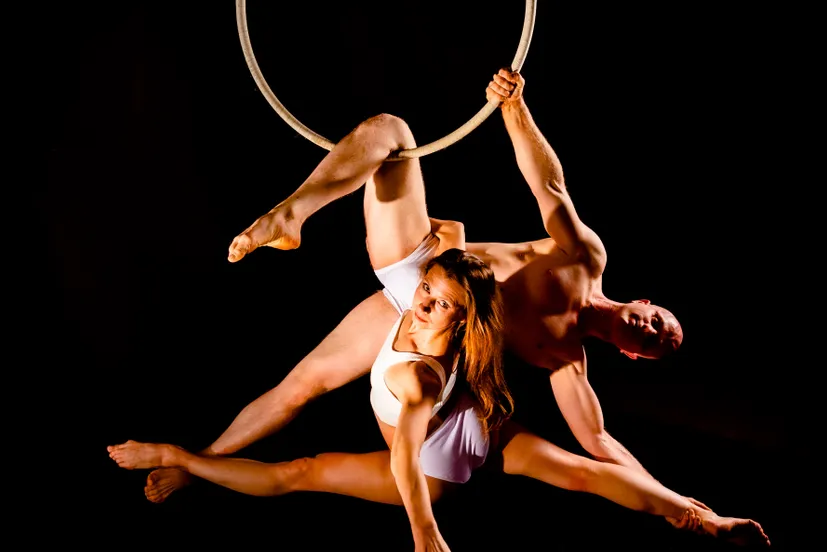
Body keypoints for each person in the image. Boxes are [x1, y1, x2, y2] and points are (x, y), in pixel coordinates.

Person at [121, 71, 769, 547]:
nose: (653, 330)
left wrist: (689, 508)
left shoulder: (562, 359)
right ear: (645, 303)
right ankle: (291, 215)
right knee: (390, 134)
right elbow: (548, 187)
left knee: (307, 404)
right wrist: (514, 112)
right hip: (425, 281)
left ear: (632, 353)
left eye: (657, 343)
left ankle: (193, 467)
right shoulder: (582, 258)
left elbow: (598, 449)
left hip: (434, 323)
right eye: (661, 321)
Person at [111, 109, 513, 551]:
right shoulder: (557, 261)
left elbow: (405, 457)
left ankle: (194, 463)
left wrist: (423, 530)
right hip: (428, 292)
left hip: (427, 312)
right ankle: (199, 463)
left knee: (392, 132)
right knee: (389, 140)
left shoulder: (433, 367)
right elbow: (456, 231)